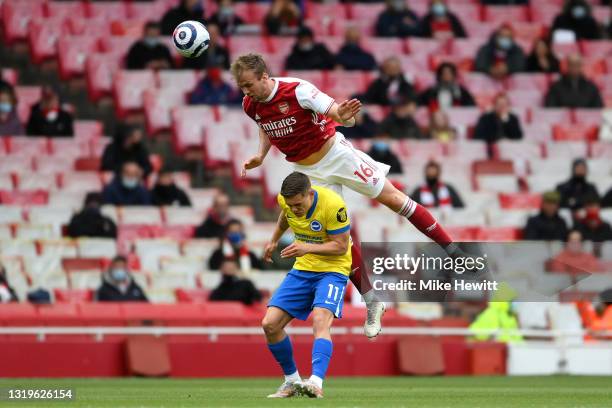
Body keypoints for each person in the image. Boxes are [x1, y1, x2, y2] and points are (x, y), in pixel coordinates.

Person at [232, 53, 460, 338]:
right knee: (336, 238)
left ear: (264, 77)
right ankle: (373, 301)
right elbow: (265, 125)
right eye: (242, 87)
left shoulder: (297, 89)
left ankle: (453, 250)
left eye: (249, 84)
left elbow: (335, 113)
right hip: (308, 172)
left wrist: (344, 114)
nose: (245, 91)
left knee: (393, 198)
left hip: (336, 155)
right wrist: (260, 155)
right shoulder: (249, 104)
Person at [261, 172, 352, 398]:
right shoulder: (287, 202)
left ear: (310, 193)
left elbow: (341, 246)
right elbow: (285, 216)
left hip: (333, 270)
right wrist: (274, 239)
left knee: (320, 320)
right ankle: (291, 381)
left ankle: (315, 382)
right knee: (270, 324)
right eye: (291, 204)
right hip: (303, 269)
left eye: (299, 204)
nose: (295, 209)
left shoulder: (333, 206)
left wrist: (307, 247)